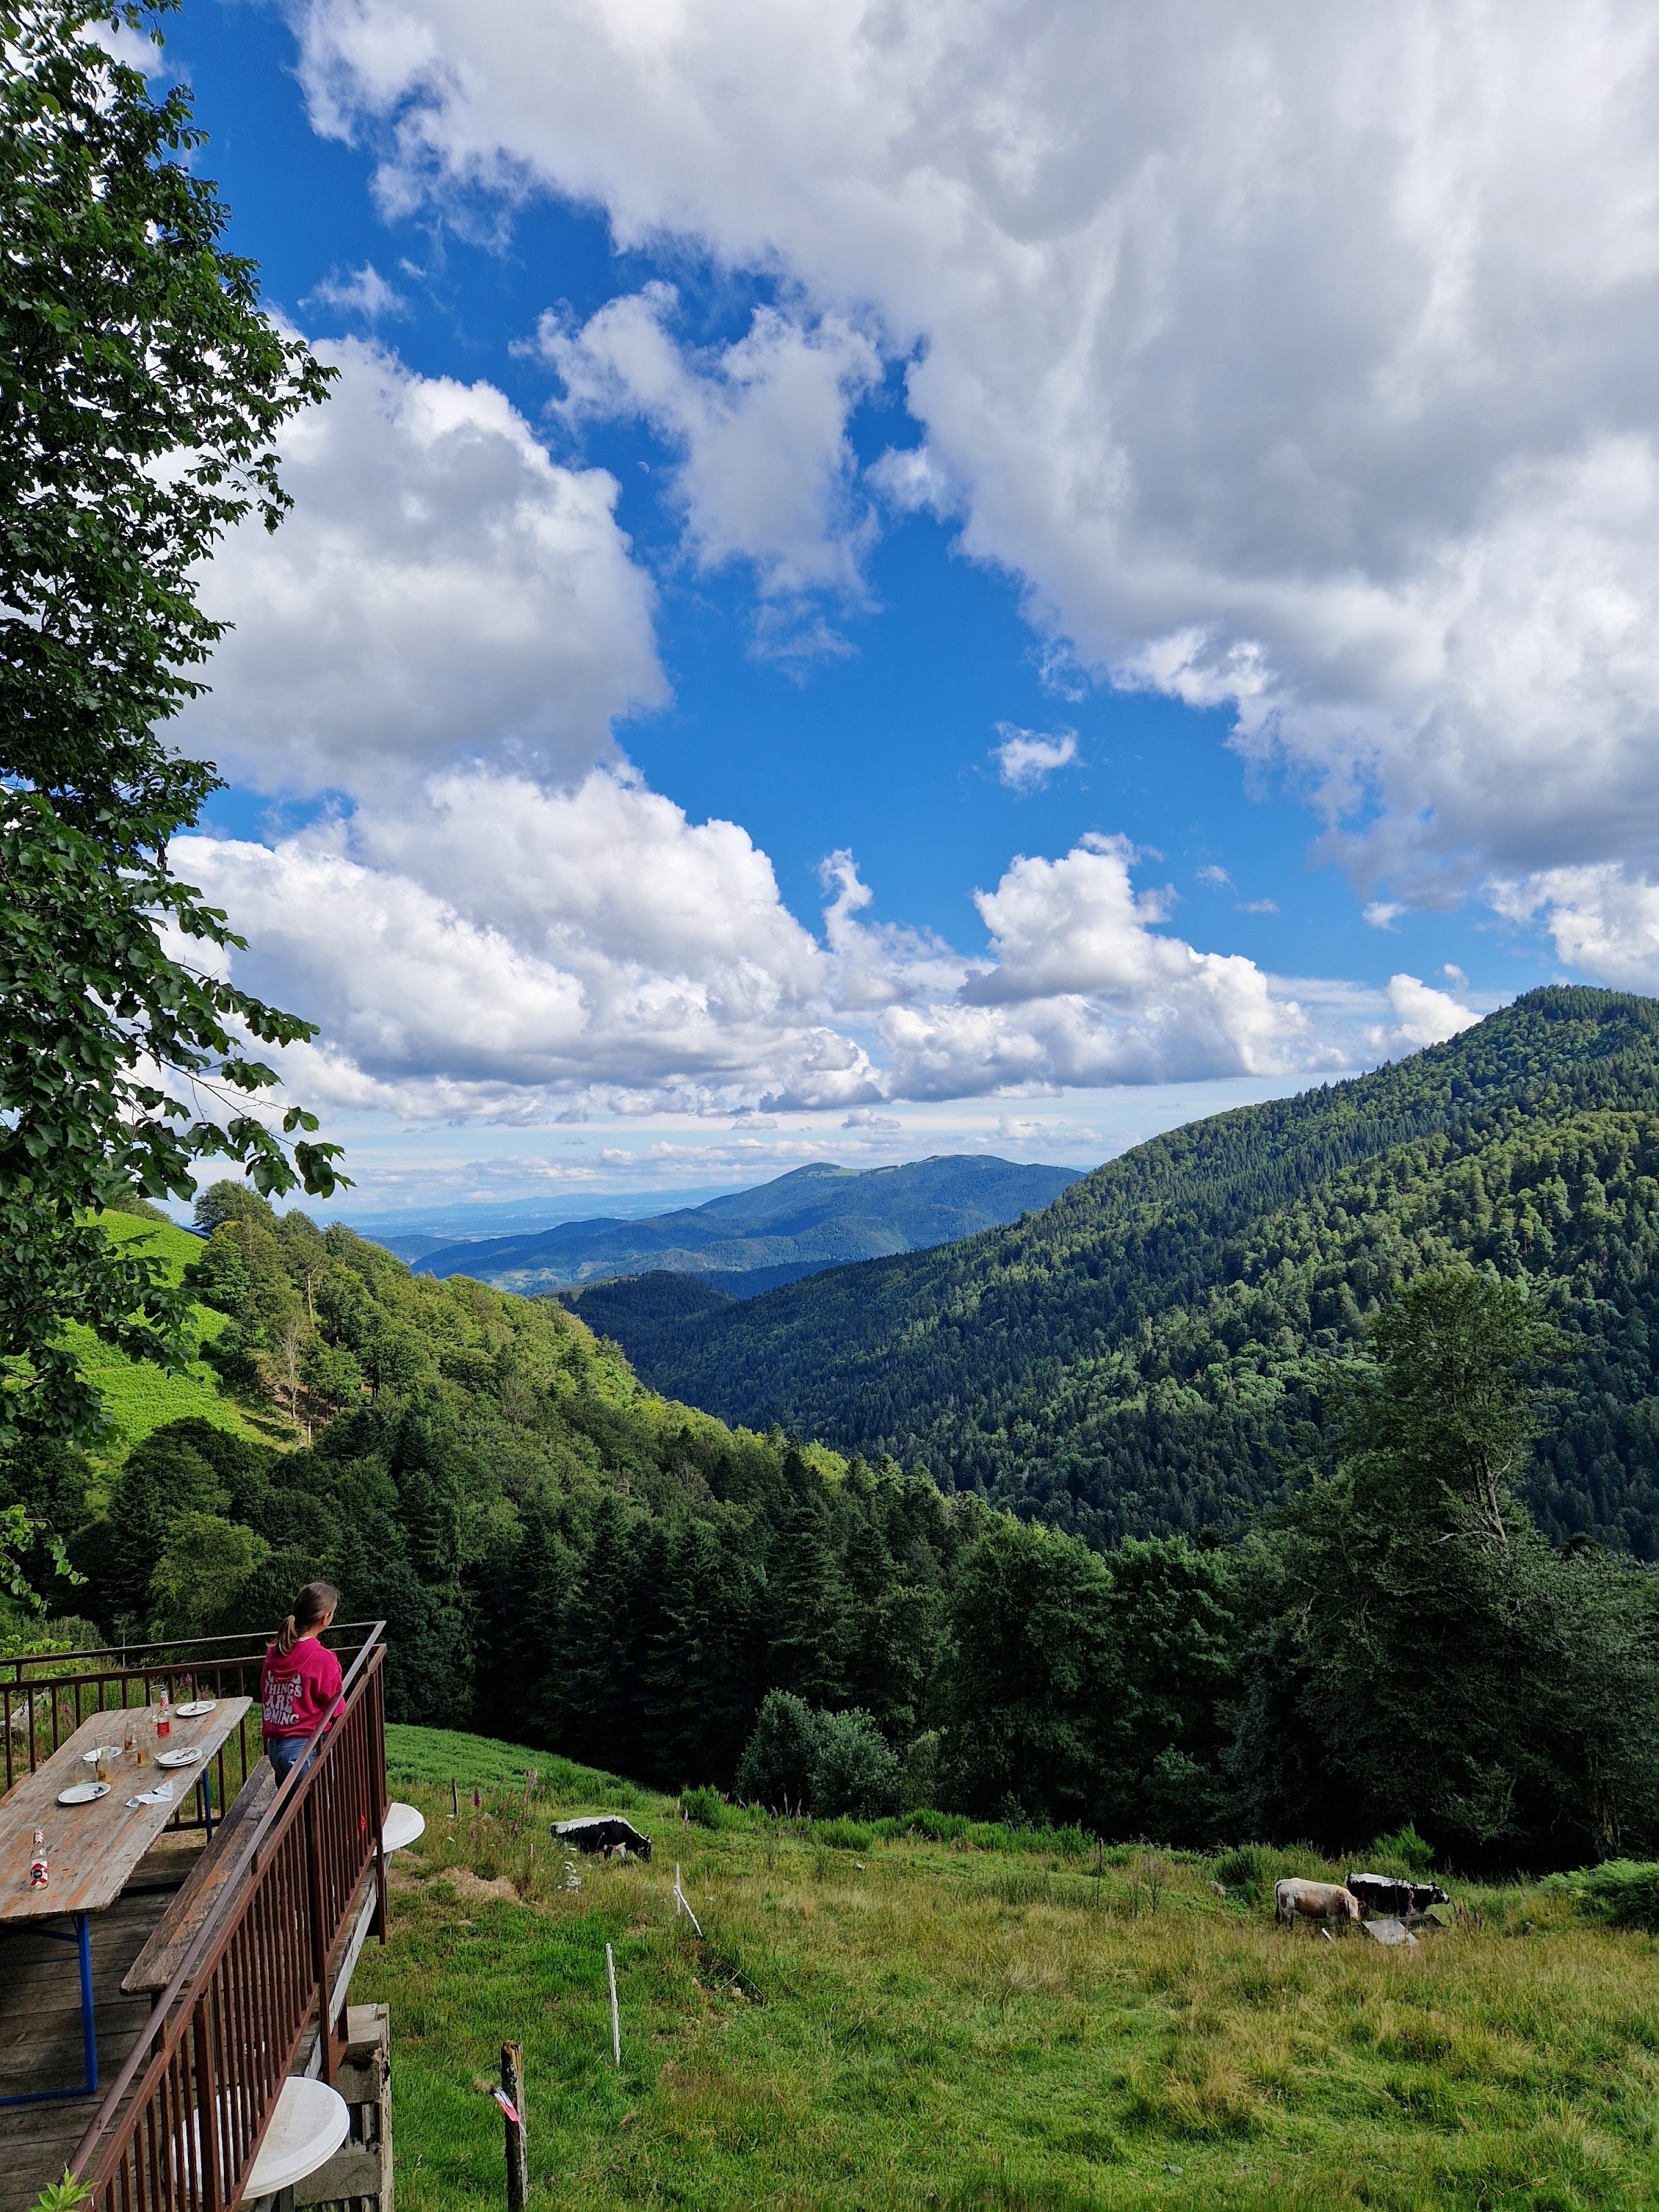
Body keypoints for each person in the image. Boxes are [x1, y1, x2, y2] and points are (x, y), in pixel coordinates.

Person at [261, 1582, 343, 1785]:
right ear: (325, 1618)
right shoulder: (322, 1659)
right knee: (317, 1805)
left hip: (276, 1748)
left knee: (290, 1804)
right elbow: (336, 1706)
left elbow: (265, 1689)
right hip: (304, 1750)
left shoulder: (275, 1651)